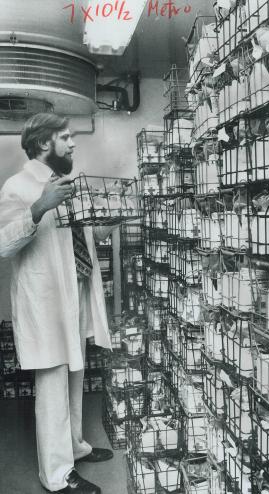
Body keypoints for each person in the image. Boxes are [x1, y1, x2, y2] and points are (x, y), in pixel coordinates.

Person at [0, 113, 115, 494]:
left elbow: (74, 239)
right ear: (44, 143)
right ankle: (56, 475)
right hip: (46, 303)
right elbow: (4, 245)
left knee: (76, 375)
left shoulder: (64, 184)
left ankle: (75, 447)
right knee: (52, 386)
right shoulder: (18, 187)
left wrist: (108, 217)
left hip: (74, 291)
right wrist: (39, 207)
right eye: (66, 137)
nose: (73, 143)